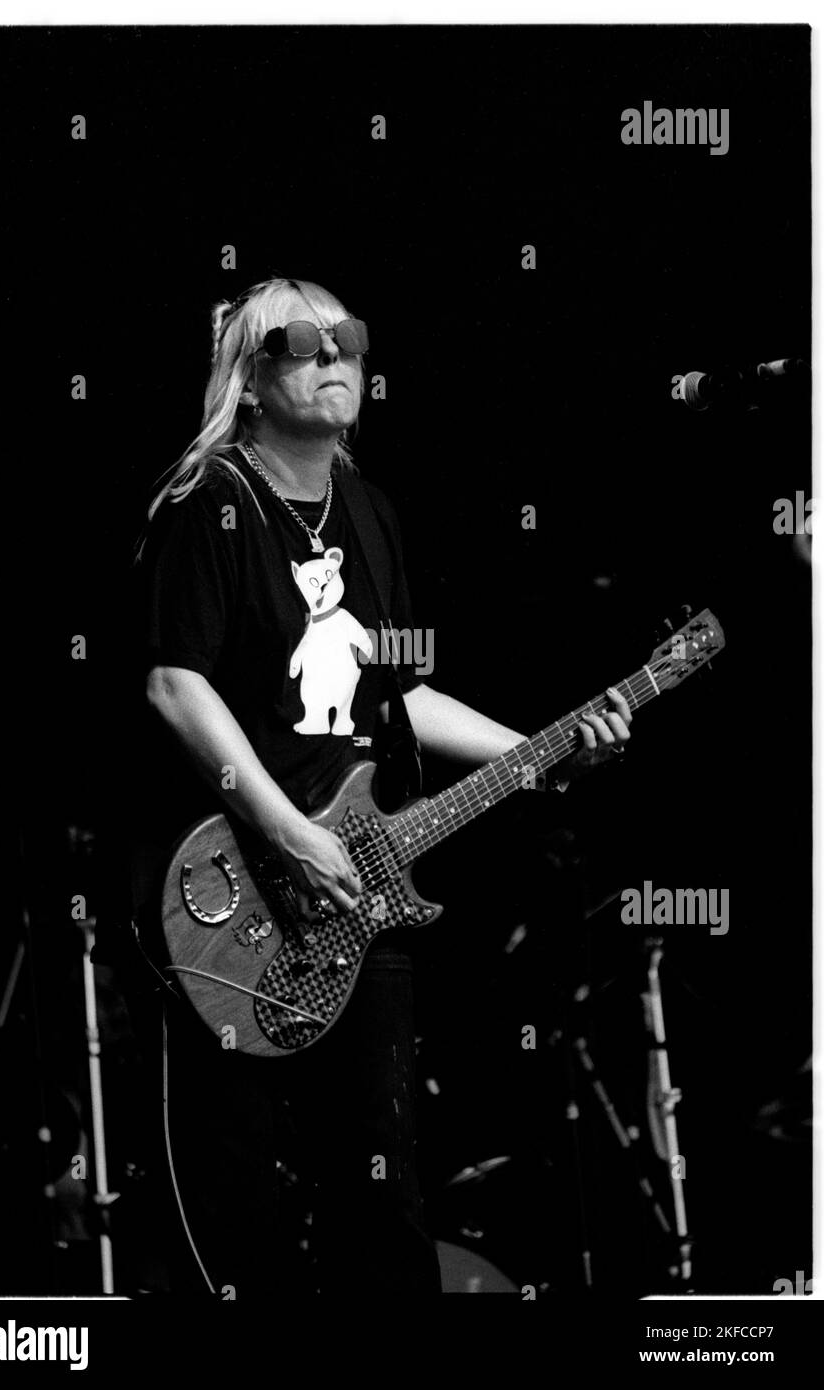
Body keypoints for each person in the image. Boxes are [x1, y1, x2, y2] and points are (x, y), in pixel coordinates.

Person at [132, 275, 633, 1298]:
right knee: (242, 1220)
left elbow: (398, 696)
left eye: (348, 338)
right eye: (301, 341)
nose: (334, 354)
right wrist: (283, 831)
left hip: (358, 896)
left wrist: (541, 749)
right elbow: (173, 681)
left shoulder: (369, 512)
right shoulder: (210, 501)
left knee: (382, 1209)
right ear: (249, 375)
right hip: (237, 891)